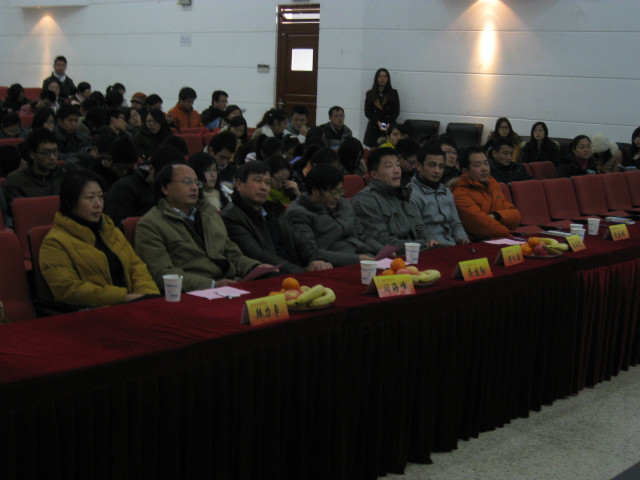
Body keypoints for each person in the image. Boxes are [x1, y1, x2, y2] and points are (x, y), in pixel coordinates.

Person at [135, 163, 271, 291]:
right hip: (194, 292)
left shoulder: (210, 216)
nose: (194, 188)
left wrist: (254, 267)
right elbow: (163, 273)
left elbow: (232, 253)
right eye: (187, 182)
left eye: (197, 183)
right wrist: (212, 285)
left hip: (229, 284)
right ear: (165, 188)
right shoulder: (151, 224)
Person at [39, 168, 159, 307]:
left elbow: (136, 267)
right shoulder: (55, 242)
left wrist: (147, 294)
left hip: (133, 304)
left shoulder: (111, 231)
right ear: (70, 202)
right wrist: (123, 297)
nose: (98, 204)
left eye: (101, 197)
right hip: (94, 311)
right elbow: (67, 289)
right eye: (90, 198)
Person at [222, 162, 331, 274]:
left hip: (295, 270)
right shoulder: (232, 217)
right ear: (239, 184)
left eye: (267, 183)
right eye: (258, 181)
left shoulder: (275, 210)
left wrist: (315, 259)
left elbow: (299, 239)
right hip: (272, 274)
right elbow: (258, 255)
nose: (264, 187)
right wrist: (301, 272)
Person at [287, 164, 380, 266]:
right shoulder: (299, 213)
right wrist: (357, 259)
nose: (337, 197)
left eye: (340, 191)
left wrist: (382, 250)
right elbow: (312, 252)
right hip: (335, 264)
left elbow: (363, 235)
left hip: (364, 255)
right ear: (315, 191)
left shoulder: (344, 204)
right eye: (333, 192)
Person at [351, 147, 438, 249]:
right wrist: (420, 244)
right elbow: (382, 240)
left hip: (415, 249)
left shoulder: (401, 193)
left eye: (398, 165)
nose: (397, 171)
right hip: (393, 254)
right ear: (374, 174)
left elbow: (419, 226)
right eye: (389, 166)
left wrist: (429, 239)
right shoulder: (365, 200)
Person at [105, 147, 185, 227]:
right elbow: (115, 224)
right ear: (151, 169)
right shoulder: (124, 189)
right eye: (169, 179)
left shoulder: (180, 192)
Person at [452, 147, 521, 240]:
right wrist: (507, 232)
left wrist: (496, 215)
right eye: (478, 165)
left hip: (502, 238)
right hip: (480, 242)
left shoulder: (493, 186)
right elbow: (481, 225)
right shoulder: (460, 194)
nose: (484, 169)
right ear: (465, 171)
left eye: (486, 164)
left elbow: (515, 216)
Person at [409, 145, 469, 246]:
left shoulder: (446, 191)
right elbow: (418, 228)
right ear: (419, 166)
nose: (437, 171)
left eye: (441, 166)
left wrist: (462, 238)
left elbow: (456, 223)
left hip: (451, 244)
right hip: (429, 246)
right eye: (432, 165)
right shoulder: (411, 193)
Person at [4, 128, 64, 206]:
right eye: (46, 152)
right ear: (32, 154)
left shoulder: (63, 176)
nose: (52, 157)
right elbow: (22, 210)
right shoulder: (15, 181)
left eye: (55, 151)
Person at [363, 68, 400, 147]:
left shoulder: (393, 93)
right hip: (374, 126)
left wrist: (389, 123)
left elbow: (396, 111)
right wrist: (378, 122)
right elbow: (367, 112)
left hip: (389, 126)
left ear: (388, 79)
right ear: (376, 78)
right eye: (380, 76)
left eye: (385, 76)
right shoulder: (370, 94)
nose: (382, 78)